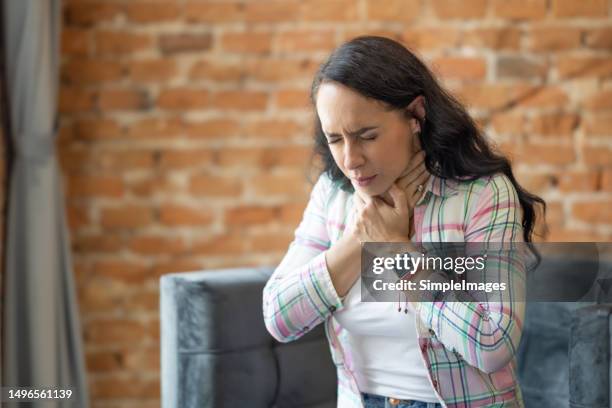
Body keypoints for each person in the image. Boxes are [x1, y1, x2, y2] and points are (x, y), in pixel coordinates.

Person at [263, 36, 545, 408]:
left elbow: (493, 344)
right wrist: (360, 239)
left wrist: (399, 252)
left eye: (367, 136)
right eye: (335, 139)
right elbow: (279, 317)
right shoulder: (332, 196)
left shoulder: (482, 195)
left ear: (416, 115)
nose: (350, 160)